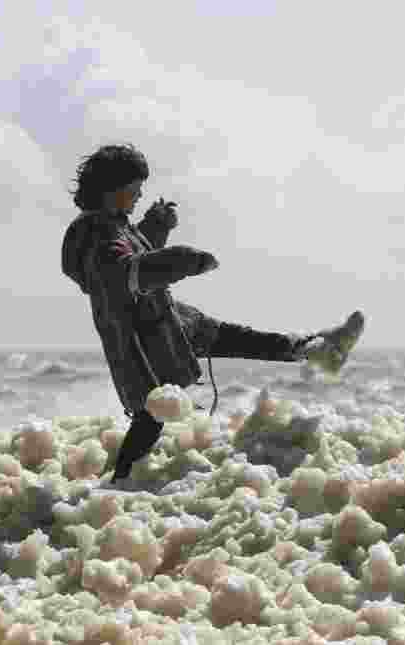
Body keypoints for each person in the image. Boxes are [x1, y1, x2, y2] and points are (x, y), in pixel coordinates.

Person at [60, 143, 365, 484]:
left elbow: (133, 253)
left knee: (232, 339)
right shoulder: (95, 232)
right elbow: (121, 272)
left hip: (166, 321)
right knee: (151, 414)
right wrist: (181, 260)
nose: (139, 194)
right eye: (133, 189)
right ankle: (119, 485)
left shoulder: (112, 225)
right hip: (140, 337)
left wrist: (155, 226)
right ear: (109, 189)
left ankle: (318, 349)